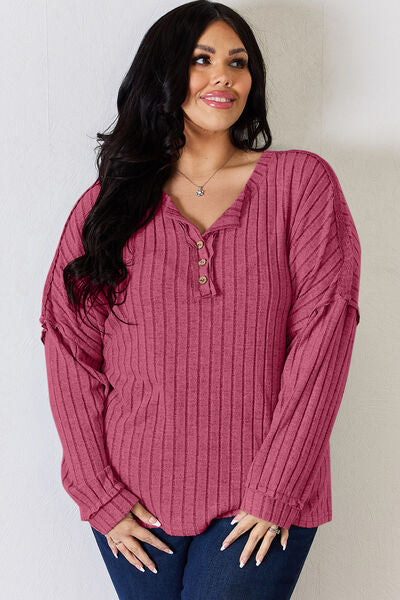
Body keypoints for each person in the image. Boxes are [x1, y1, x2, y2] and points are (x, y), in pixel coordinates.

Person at [39, 1, 361, 598]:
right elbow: (67, 349)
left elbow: (325, 338)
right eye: (201, 60)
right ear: (162, 75)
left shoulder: (300, 185)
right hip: (135, 504)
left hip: (261, 498)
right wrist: (100, 493)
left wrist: (277, 488)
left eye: (238, 63)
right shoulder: (108, 205)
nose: (224, 77)